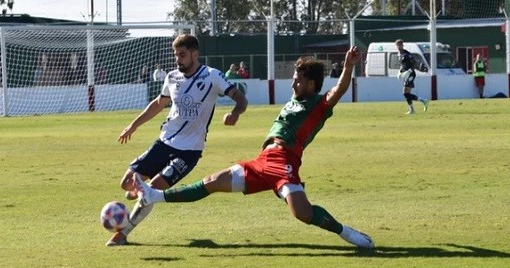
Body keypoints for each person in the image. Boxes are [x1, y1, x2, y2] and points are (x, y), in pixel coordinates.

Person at [133, 46, 374, 249]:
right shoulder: (295, 99)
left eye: (298, 80)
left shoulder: (319, 104)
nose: (293, 83)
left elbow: (339, 90)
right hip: (263, 160)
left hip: (284, 162)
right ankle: (154, 195)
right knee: (212, 181)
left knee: (302, 213)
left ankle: (348, 234)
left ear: (311, 84)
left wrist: (348, 67)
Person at [108, 34, 249, 246]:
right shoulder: (172, 77)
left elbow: (241, 98)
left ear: (195, 54)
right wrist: (134, 125)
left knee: (153, 189)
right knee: (126, 183)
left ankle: (123, 234)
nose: (178, 60)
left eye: (182, 55)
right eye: (176, 55)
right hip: (164, 142)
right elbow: (158, 103)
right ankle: (137, 191)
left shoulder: (212, 76)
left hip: (189, 151)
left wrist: (236, 113)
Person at [396, 39, 429, 114]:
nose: (399, 47)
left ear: (402, 45)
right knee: (407, 94)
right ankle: (412, 110)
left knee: (405, 93)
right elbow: (402, 65)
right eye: (397, 45)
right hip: (405, 74)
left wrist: (409, 71)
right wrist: (399, 72)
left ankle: (423, 101)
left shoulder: (407, 54)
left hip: (410, 74)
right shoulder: (398, 54)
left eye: (400, 45)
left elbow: (414, 63)